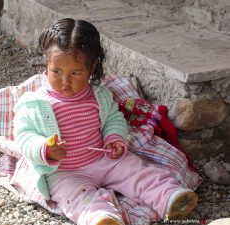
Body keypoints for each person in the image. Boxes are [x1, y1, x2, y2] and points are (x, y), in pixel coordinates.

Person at [13, 18, 198, 225]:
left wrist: (114, 138)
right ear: (46, 64)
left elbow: (113, 118)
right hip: (65, 172)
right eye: (57, 72)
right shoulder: (35, 103)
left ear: (91, 68)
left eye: (75, 73)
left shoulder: (99, 96)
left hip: (104, 159)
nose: (65, 81)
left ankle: (169, 197)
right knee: (75, 198)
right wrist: (43, 149)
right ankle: (100, 217)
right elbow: (24, 135)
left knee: (138, 172)